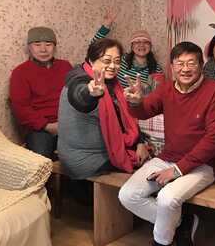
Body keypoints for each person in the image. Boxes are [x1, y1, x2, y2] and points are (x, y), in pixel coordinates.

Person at [119, 42, 215, 246]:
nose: (185, 69)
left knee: (167, 198)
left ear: (201, 65)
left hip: (203, 164)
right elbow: (144, 111)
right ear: (172, 67)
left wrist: (177, 170)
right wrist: (135, 102)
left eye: (191, 63)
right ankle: (182, 224)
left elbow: (214, 140)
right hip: (168, 157)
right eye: (180, 64)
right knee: (127, 195)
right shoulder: (167, 89)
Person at [57, 38, 150, 180]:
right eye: (106, 61)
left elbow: (124, 120)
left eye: (117, 61)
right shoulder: (79, 80)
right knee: (149, 170)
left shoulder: (112, 83)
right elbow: (80, 98)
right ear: (91, 60)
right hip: (86, 158)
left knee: (149, 157)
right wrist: (91, 94)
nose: (113, 66)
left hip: (102, 151)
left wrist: (140, 142)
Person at [9, 27, 73, 159]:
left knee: (89, 149)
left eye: (48, 44)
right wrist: (47, 126)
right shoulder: (20, 72)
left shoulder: (65, 66)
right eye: (37, 44)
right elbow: (21, 108)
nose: (43, 49)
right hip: (40, 128)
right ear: (29, 47)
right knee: (41, 157)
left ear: (54, 47)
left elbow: (75, 95)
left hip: (69, 123)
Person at [93, 10, 164, 90]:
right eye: (137, 42)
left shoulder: (156, 69)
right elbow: (94, 48)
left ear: (150, 46)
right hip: (116, 97)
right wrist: (106, 26)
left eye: (146, 42)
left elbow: (160, 93)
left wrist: (144, 87)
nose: (141, 45)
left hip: (139, 98)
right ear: (132, 46)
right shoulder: (121, 59)